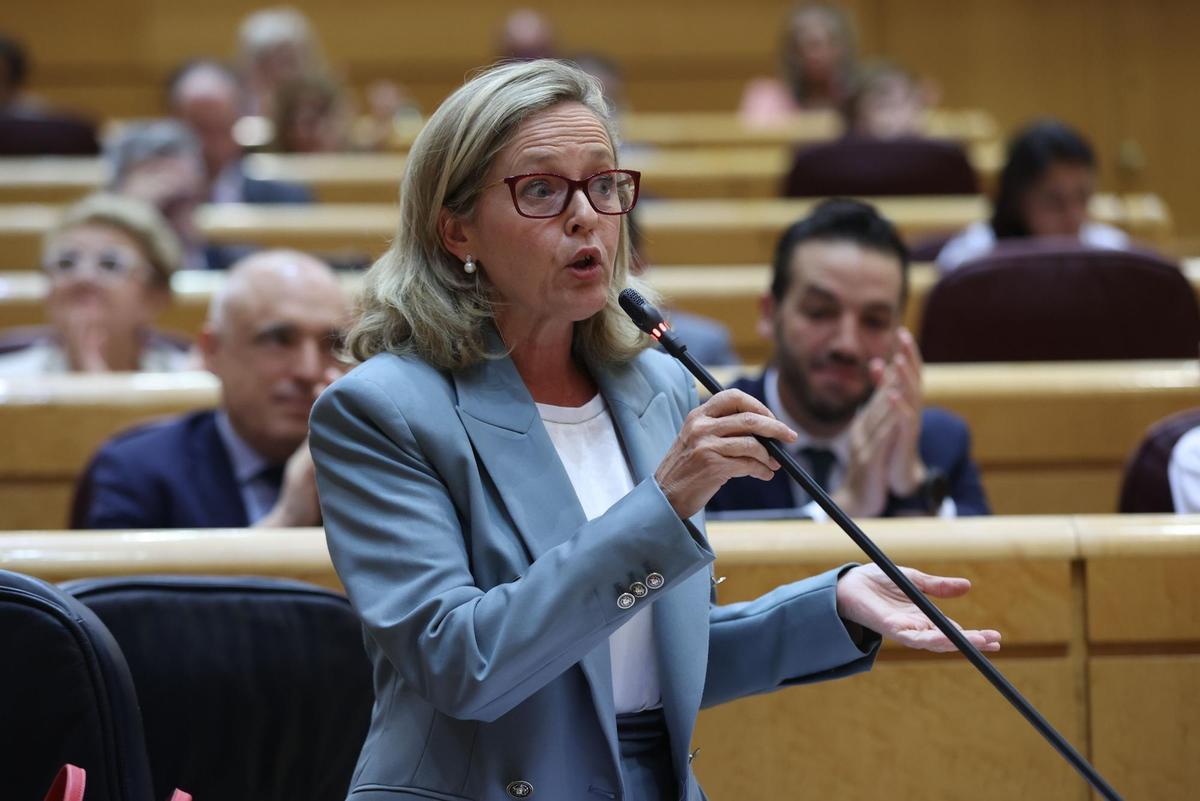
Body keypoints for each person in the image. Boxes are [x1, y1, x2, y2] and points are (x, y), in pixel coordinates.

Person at [308, 60, 1000, 801]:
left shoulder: (653, 382)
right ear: (456, 229)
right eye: (542, 189)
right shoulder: (382, 410)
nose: (586, 216)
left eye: (603, 185)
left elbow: (647, 658)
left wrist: (830, 605)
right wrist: (662, 503)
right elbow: (461, 663)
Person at [707, 199, 989, 520]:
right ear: (770, 313)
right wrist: (846, 507)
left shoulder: (938, 443)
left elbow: (993, 567)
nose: (847, 345)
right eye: (820, 313)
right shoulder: (715, 435)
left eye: (874, 321)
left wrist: (913, 488)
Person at [74, 250, 348, 529]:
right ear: (212, 350)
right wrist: (288, 519)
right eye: (278, 340)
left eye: (332, 344)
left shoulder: (377, 465)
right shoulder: (133, 471)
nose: (308, 370)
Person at [0, 193, 191, 375]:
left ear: (155, 296)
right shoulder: (7, 381)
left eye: (110, 264)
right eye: (65, 262)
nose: (84, 277)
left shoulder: (191, 383)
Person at [936, 119, 1130, 272]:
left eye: (1083, 198)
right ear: (1016, 201)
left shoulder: (1115, 256)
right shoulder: (969, 261)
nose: (1074, 216)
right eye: (1054, 202)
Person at [106, 119, 253, 270]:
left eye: (185, 201)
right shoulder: (100, 251)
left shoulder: (223, 252)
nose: (170, 186)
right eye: (167, 208)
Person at [167, 59, 312, 203]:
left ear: (238, 118)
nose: (209, 144)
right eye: (199, 129)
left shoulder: (283, 194)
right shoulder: (157, 195)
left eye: (219, 127)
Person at [739, 2, 859, 125]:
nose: (819, 54)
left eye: (831, 42)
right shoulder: (767, 97)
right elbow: (757, 141)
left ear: (845, 48)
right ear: (792, 51)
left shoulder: (861, 98)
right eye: (811, 44)